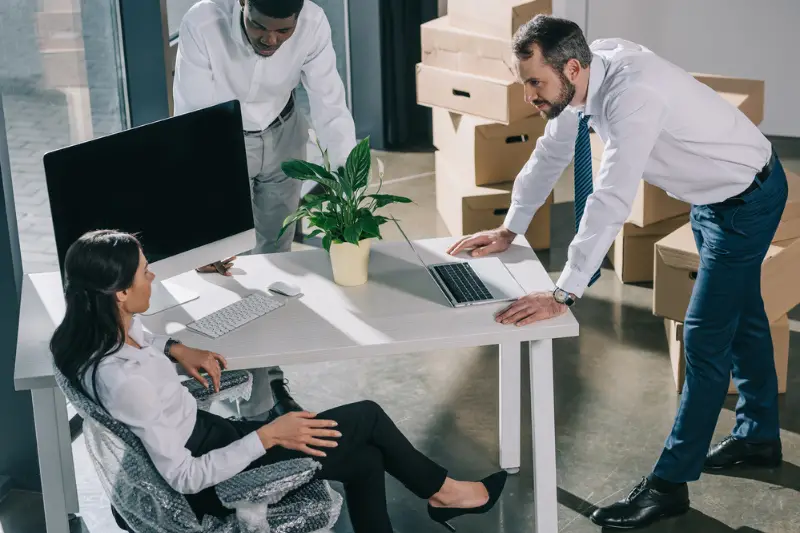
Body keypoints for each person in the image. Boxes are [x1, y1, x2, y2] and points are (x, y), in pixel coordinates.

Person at [448, 15, 787, 531]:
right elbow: (550, 154)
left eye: (535, 83)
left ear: (572, 67)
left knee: (703, 337)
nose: (529, 97)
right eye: (525, 84)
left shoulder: (633, 95)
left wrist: (565, 292)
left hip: (746, 201)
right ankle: (760, 435)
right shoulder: (582, 77)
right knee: (742, 314)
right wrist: (511, 229)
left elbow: (610, 200)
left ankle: (669, 486)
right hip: (711, 200)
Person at [51, 230, 507, 533]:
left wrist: (174, 349)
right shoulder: (123, 380)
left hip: (217, 438)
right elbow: (187, 478)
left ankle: (443, 494)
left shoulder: (101, 332)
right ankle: (445, 493)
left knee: (365, 460)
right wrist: (269, 436)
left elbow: (144, 343)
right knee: (366, 418)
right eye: (145, 272)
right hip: (214, 479)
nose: (153, 276)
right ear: (121, 293)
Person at [173, 0, 357, 421]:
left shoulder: (312, 22)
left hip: (283, 130)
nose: (271, 40)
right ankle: (226, 382)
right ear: (242, 4)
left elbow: (330, 101)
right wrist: (210, 220)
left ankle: (267, 386)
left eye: (283, 32)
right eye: (259, 27)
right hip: (222, 136)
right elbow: (194, 121)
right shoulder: (203, 22)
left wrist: (347, 176)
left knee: (272, 262)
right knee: (222, 269)